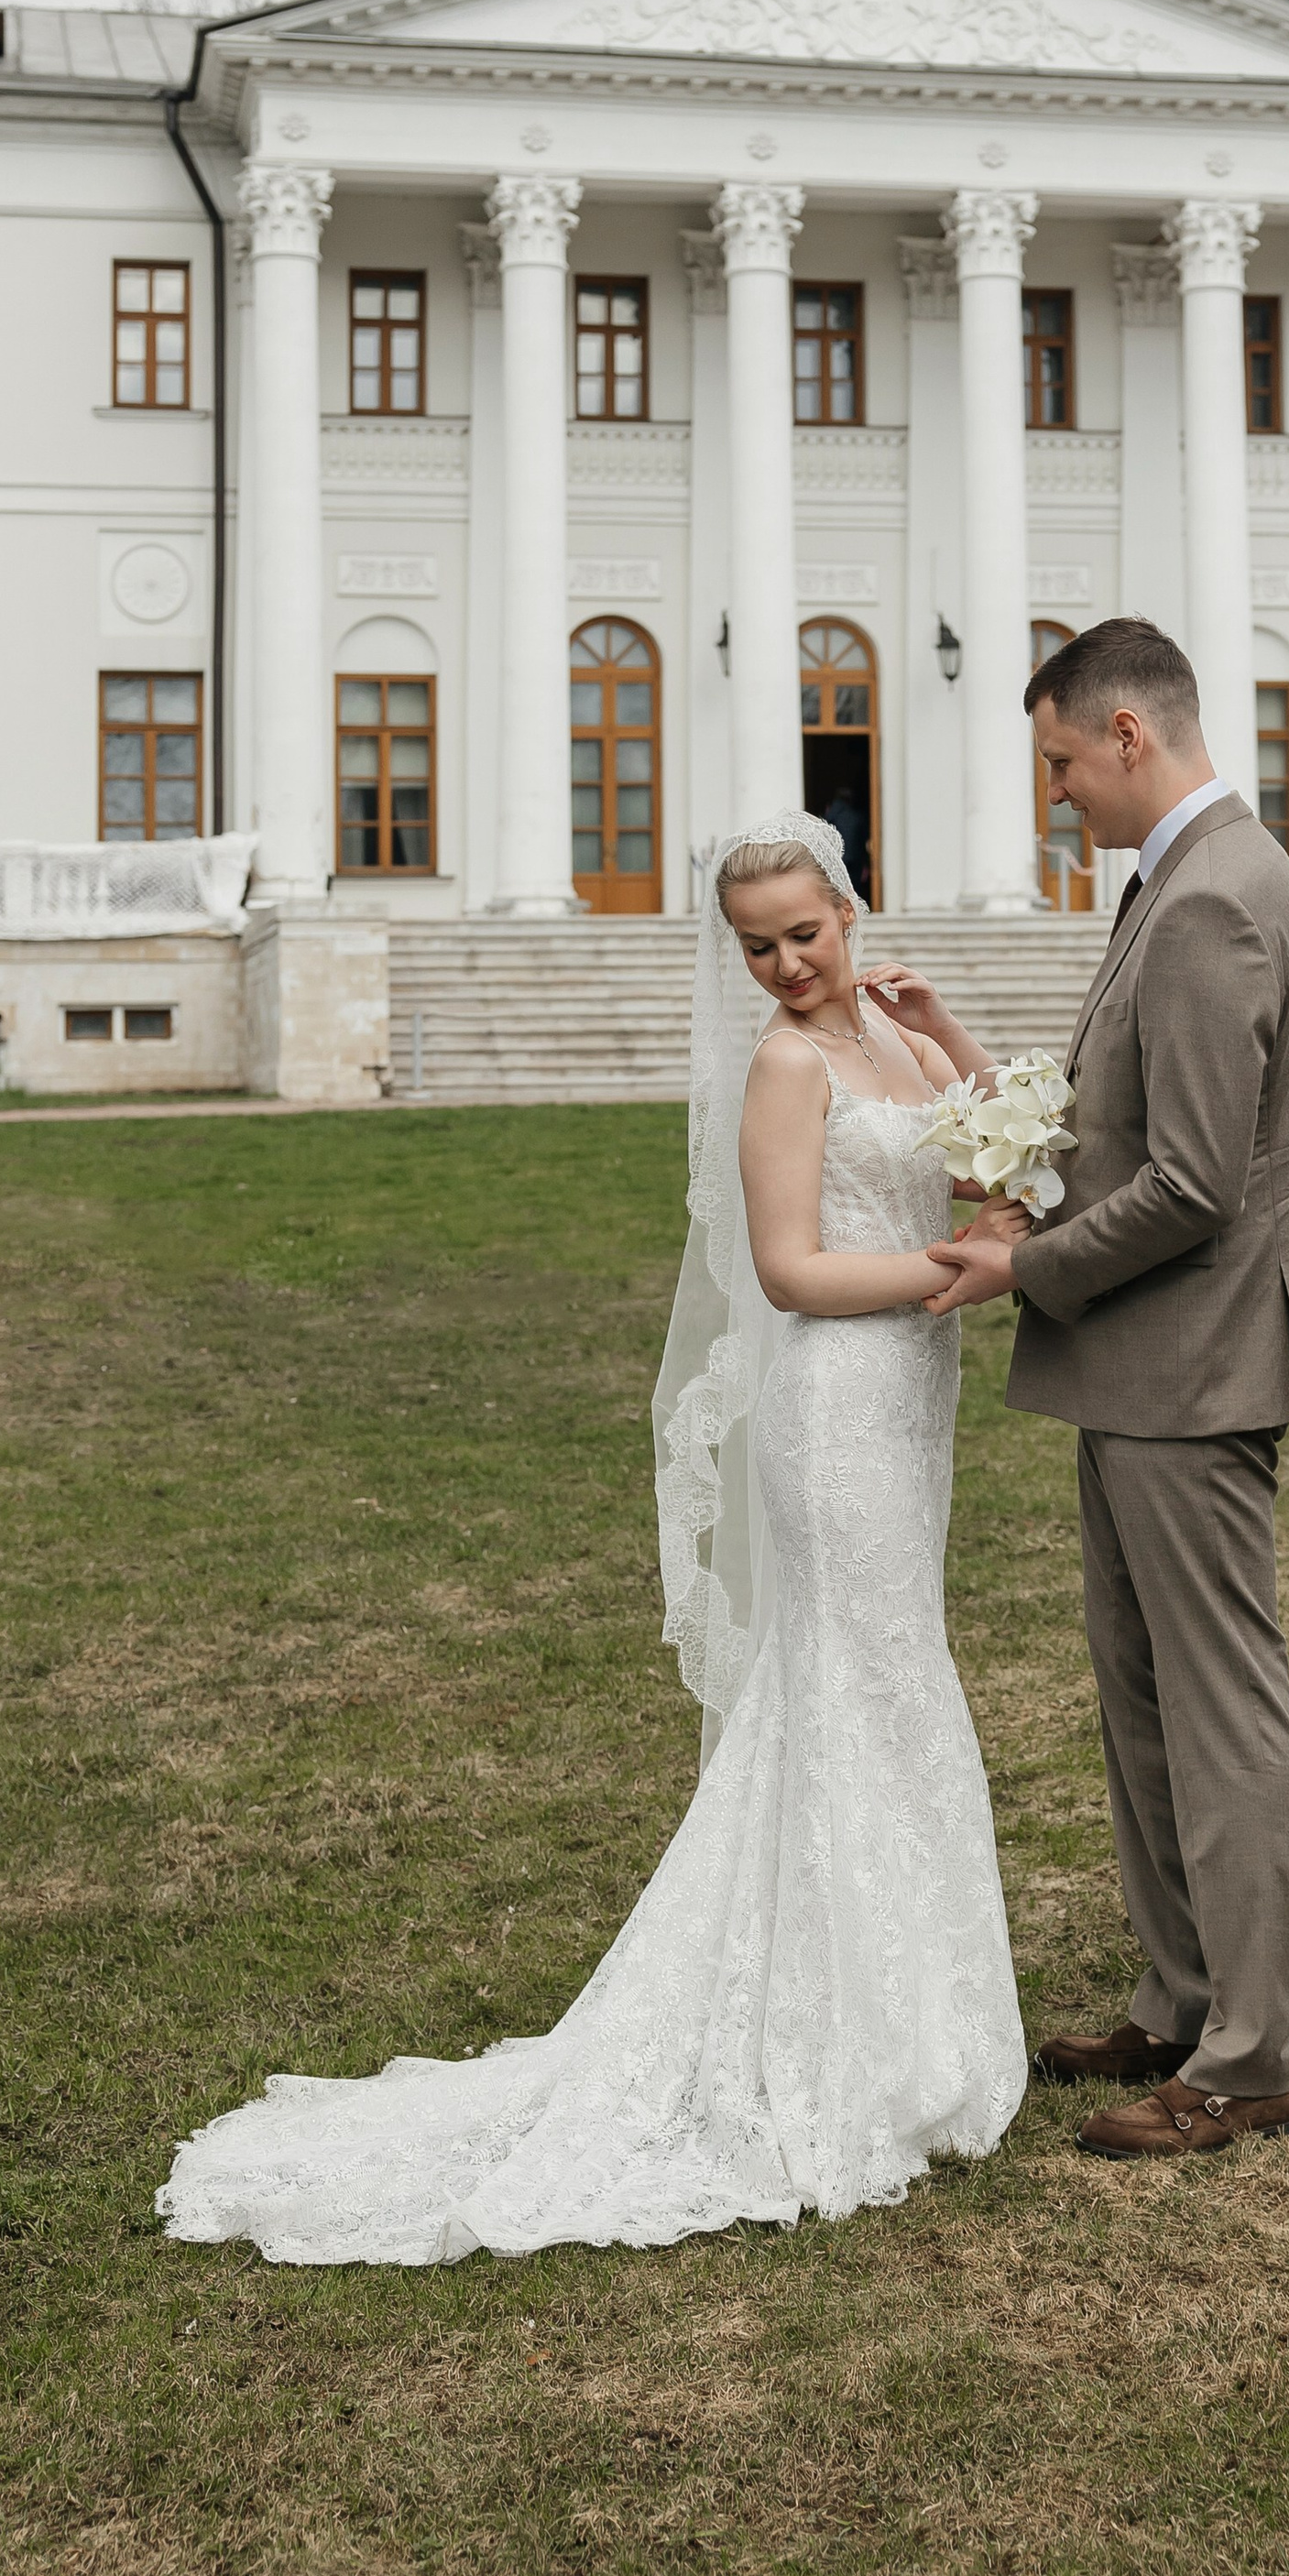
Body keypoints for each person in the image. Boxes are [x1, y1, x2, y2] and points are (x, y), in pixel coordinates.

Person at [158, 811, 1026, 2261]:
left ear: (852, 912)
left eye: (804, 934)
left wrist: (947, 1024)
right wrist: (953, 1272)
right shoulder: (785, 1065)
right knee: (858, 1682)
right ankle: (847, 2043)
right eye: (757, 946)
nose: (786, 966)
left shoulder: (896, 1035)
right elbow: (792, 1269)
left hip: (909, 1405)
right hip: (835, 1405)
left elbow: (1009, 1146)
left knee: (891, 1673)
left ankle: (910, 2017)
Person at [887, 617, 1289, 2161]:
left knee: (1218, 1716)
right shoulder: (1184, 882)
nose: (1056, 794)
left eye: (1064, 761)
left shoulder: (1215, 899)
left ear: (1131, 735)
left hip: (1196, 1368)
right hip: (1147, 1368)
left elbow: (1198, 1183)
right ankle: (1182, 2000)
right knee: (1143, 1704)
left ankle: (1251, 2057)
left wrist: (1026, 1267)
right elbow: (1119, 1117)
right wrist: (959, 1051)